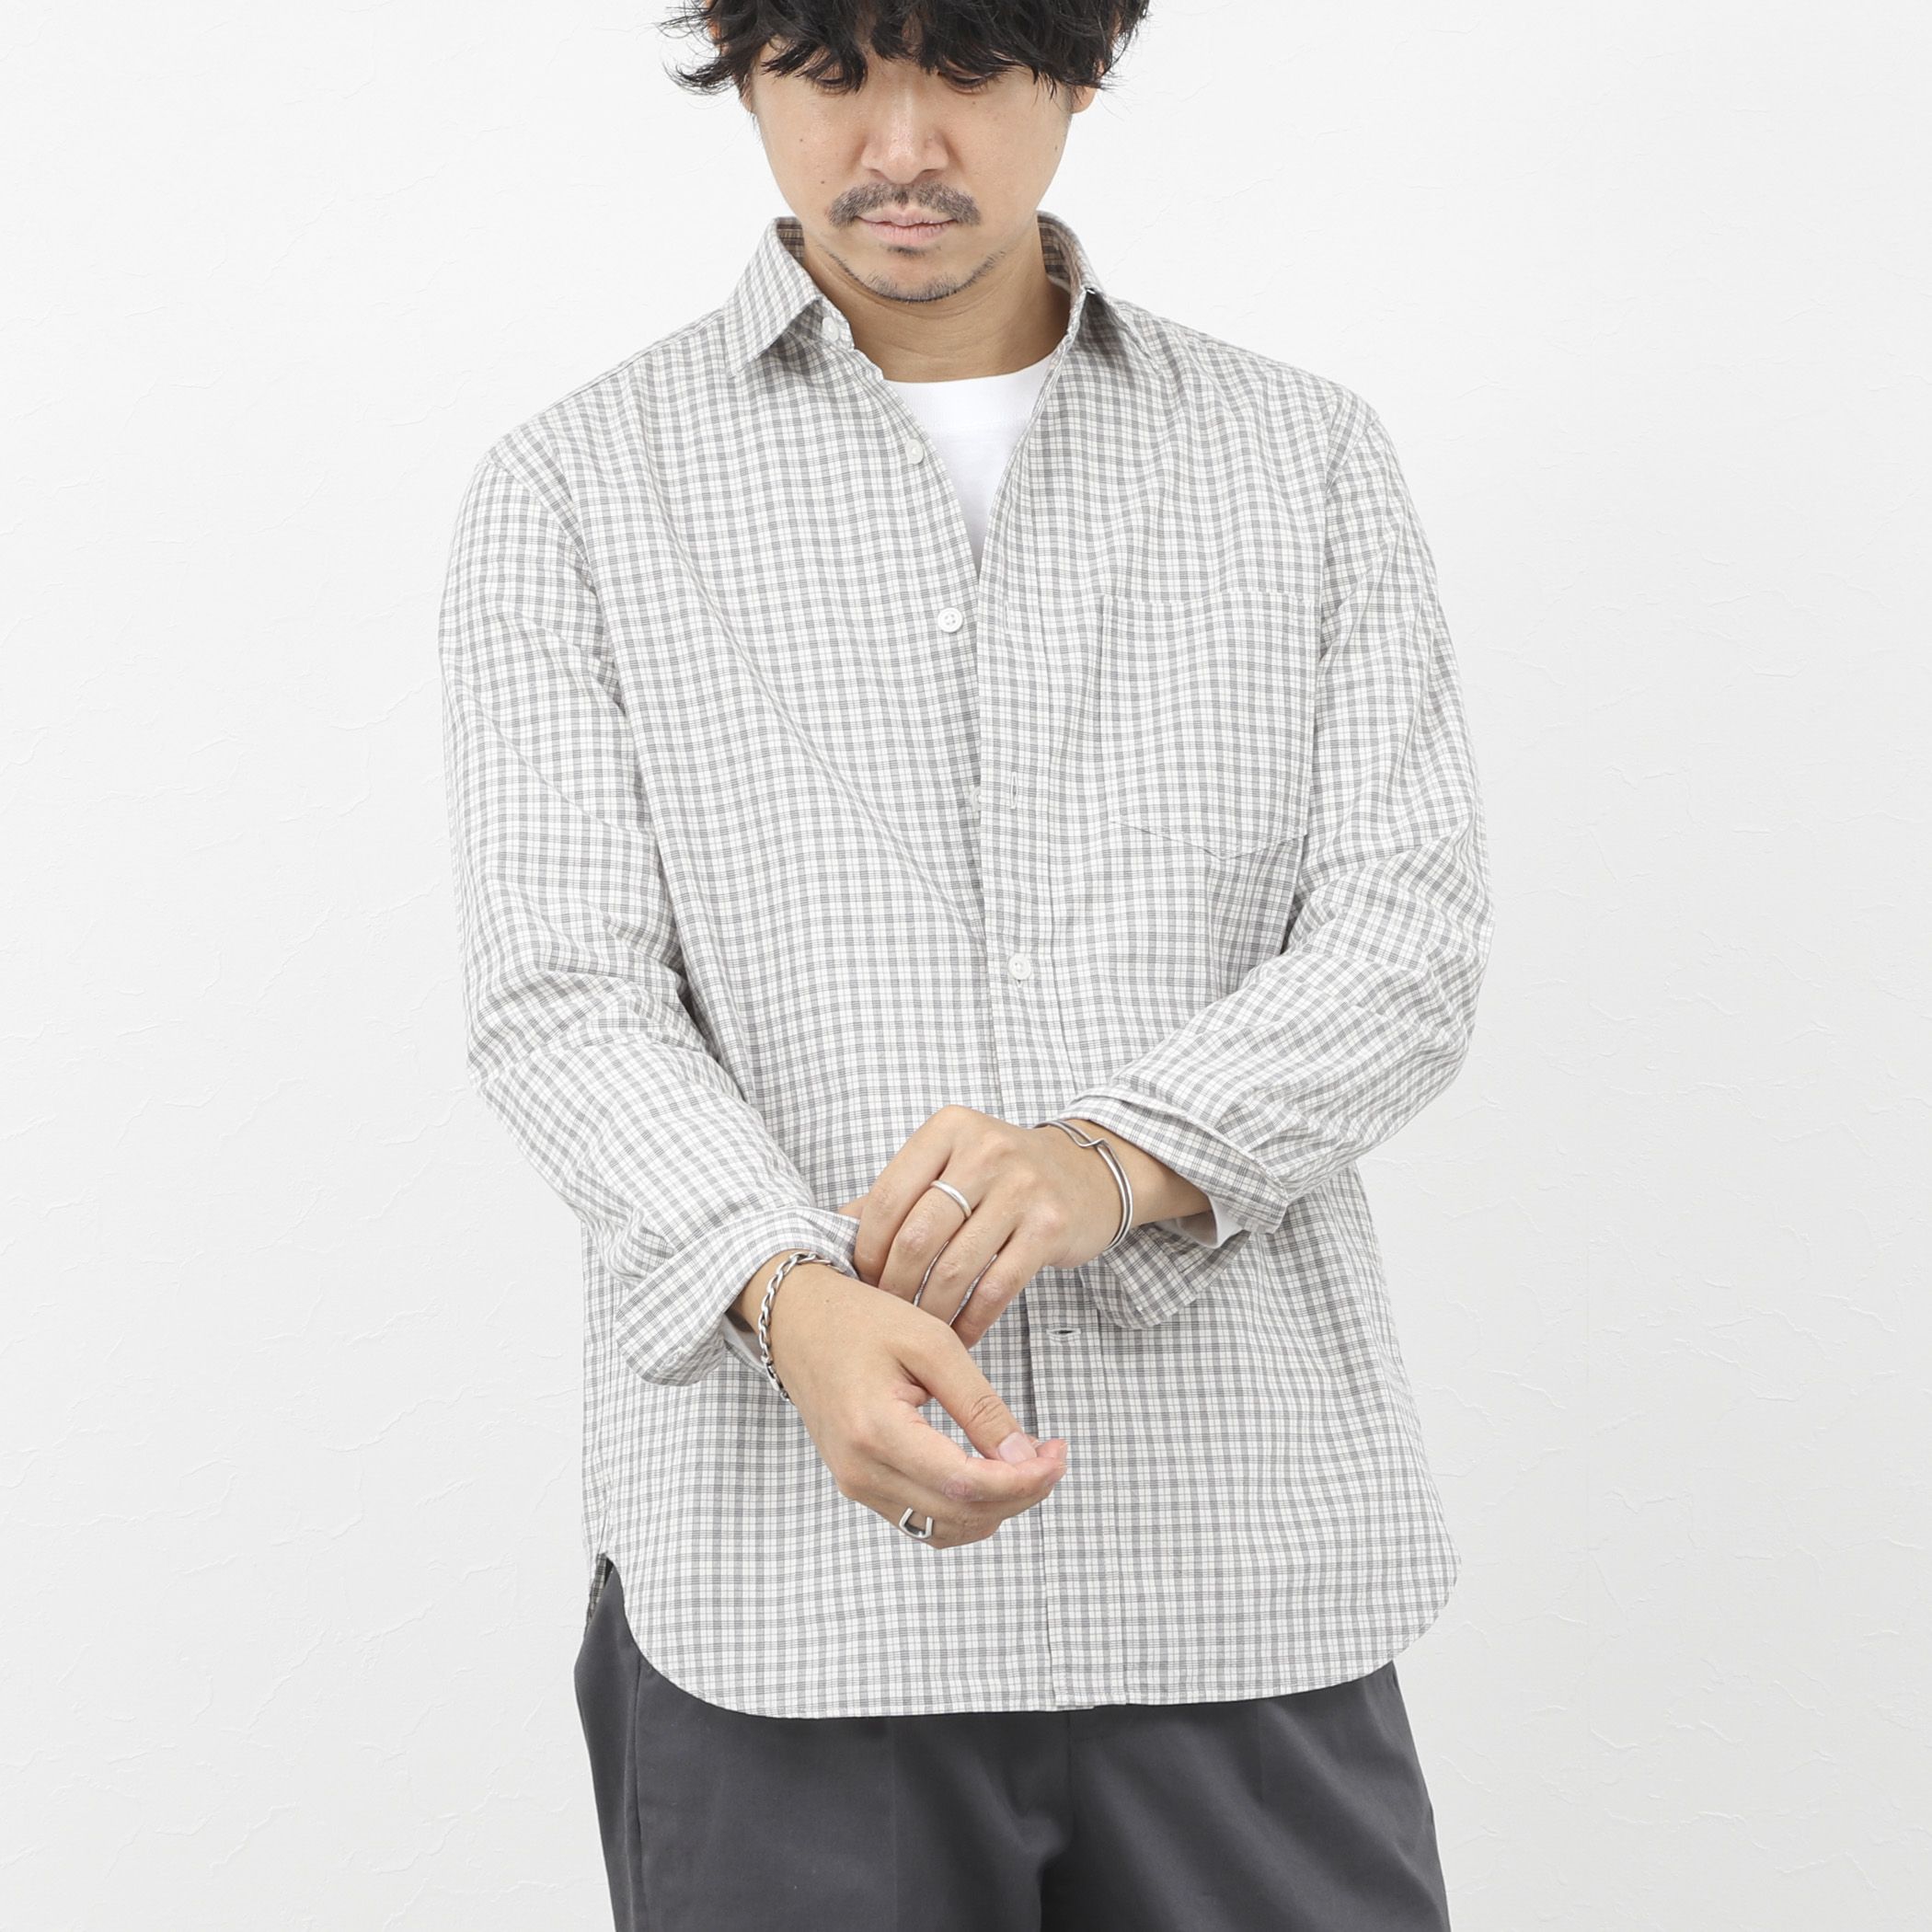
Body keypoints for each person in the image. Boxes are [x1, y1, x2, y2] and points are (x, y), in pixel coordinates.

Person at [435, 4, 1492, 1925]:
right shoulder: (576, 489)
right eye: (834, 69)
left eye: (974, 66)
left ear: (1082, 66)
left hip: (1239, 1574)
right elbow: (563, 996)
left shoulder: (1303, 459)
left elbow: (1405, 937)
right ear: (746, 67)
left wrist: (1115, 1158)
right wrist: (788, 1298)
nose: (903, 144)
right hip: (786, 1599)